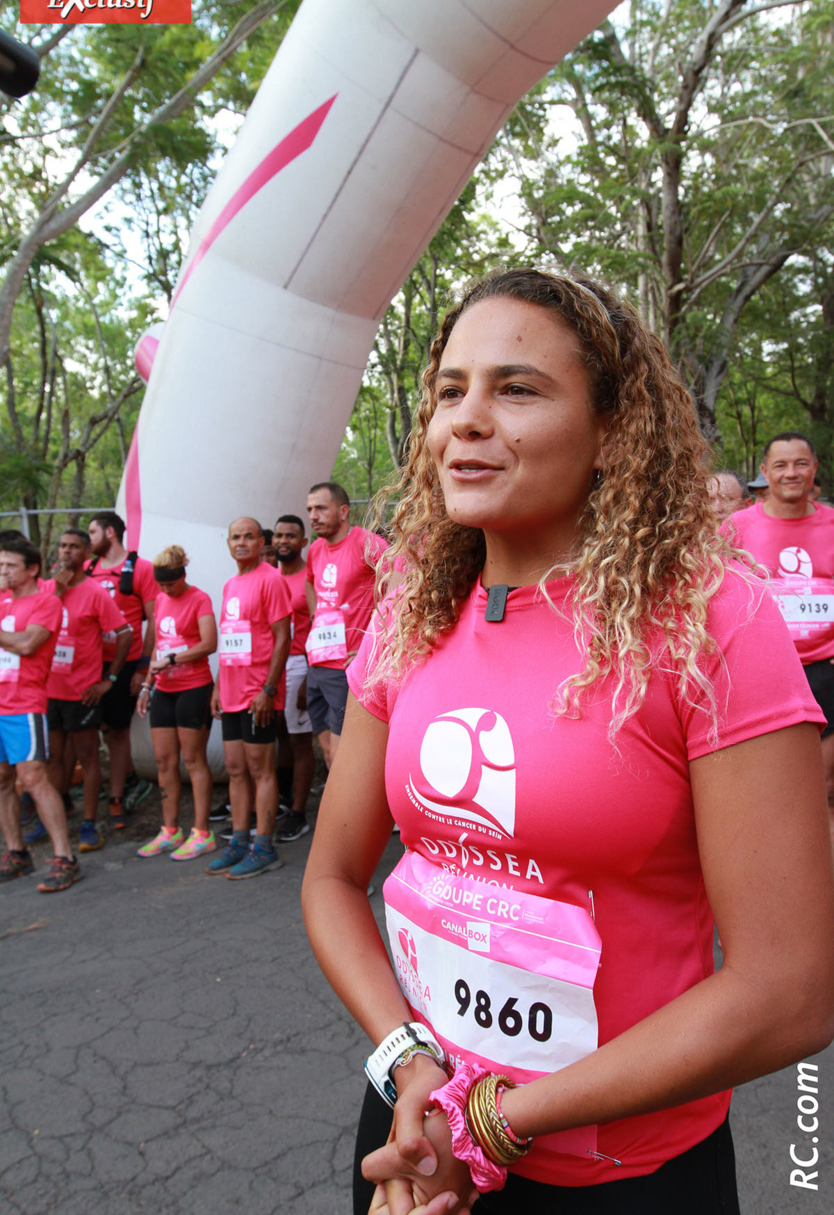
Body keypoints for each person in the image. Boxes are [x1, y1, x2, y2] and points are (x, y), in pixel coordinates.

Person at [302, 270, 834, 1215]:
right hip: (414, 1131)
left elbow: (789, 991)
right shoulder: (409, 616)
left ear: (613, 429)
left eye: (516, 388)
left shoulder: (713, 618)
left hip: (621, 1177)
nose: (465, 418)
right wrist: (409, 1062)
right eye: (450, 390)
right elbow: (333, 880)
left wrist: (498, 1122)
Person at [728, 432, 834, 850]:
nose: (792, 473)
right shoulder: (735, 528)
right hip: (761, 673)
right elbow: (706, 590)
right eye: (781, 465)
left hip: (823, 670)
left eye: (800, 464)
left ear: (814, 469)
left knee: (821, 786)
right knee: (766, 791)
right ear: (765, 472)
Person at [207, 517, 291, 880]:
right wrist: (216, 687)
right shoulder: (230, 584)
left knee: (261, 769)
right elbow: (229, 641)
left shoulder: (271, 579)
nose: (241, 543)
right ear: (227, 543)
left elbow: (283, 638)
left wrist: (268, 690)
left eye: (248, 537)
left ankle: (264, 846)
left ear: (261, 543)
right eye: (234, 537)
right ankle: (239, 840)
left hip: (259, 694)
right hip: (230, 693)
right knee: (236, 769)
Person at [0, 537, 82, 892]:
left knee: (34, 779)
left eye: (10, 566)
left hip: (25, 705)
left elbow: (28, 644)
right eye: (0, 565)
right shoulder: (2, 601)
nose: (2, 571)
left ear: (32, 569)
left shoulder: (45, 603)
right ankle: (16, 852)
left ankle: (65, 857)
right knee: (2, 780)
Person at [44, 529, 132, 853]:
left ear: (86, 553)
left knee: (88, 756)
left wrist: (108, 679)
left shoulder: (95, 592)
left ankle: (90, 823)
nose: (66, 551)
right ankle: (56, 815)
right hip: (48, 689)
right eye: (62, 545)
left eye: (74, 546)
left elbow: (124, 634)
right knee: (54, 758)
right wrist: (56, 590)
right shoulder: (45, 589)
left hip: (82, 691)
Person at [136, 545, 218, 860]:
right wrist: (146, 684)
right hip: (164, 689)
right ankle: (170, 829)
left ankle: (202, 832)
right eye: (162, 585)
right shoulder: (160, 599)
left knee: (193, 760)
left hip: (193, 687)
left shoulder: (199, 598)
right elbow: (158, 643)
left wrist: (172, 659)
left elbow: (208, 643)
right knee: (164, 761)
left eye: (171, 584)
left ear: (182, 575)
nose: (167, 590)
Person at [305, 481, 388, 766]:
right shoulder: (315, 549)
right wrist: (318, 618)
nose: (313, 516)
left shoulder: (368, 543)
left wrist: (373, 644)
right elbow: (309, 584)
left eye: (320, 508)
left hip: (347, 668)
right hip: (317, 663)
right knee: (328, 753)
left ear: (342, 511)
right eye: (309, 509)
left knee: (343, 760)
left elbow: (401, 589)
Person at [86, 511, 157, 827]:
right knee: (94, 729)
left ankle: (120, 793)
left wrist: (144, 667)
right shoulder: (87, 570)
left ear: (110, 533)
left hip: (124, 662)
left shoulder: (141, 569)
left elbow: (154, 620)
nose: (89, 540)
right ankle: (125, 776)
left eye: (92, 532)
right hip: (89, 664)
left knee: (117, 729)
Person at [273, 514, 315, 841]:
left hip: (301, 662)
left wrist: (308, 675)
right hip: (271, 665)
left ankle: (300, 812)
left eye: (291, 536)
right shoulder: (269, 577)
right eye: (278, 535)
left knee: (300, 741)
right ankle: (282, 800)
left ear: (303, 542)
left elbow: (319, 623)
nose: (284, 541)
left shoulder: (308, 577)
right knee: (279, 737)